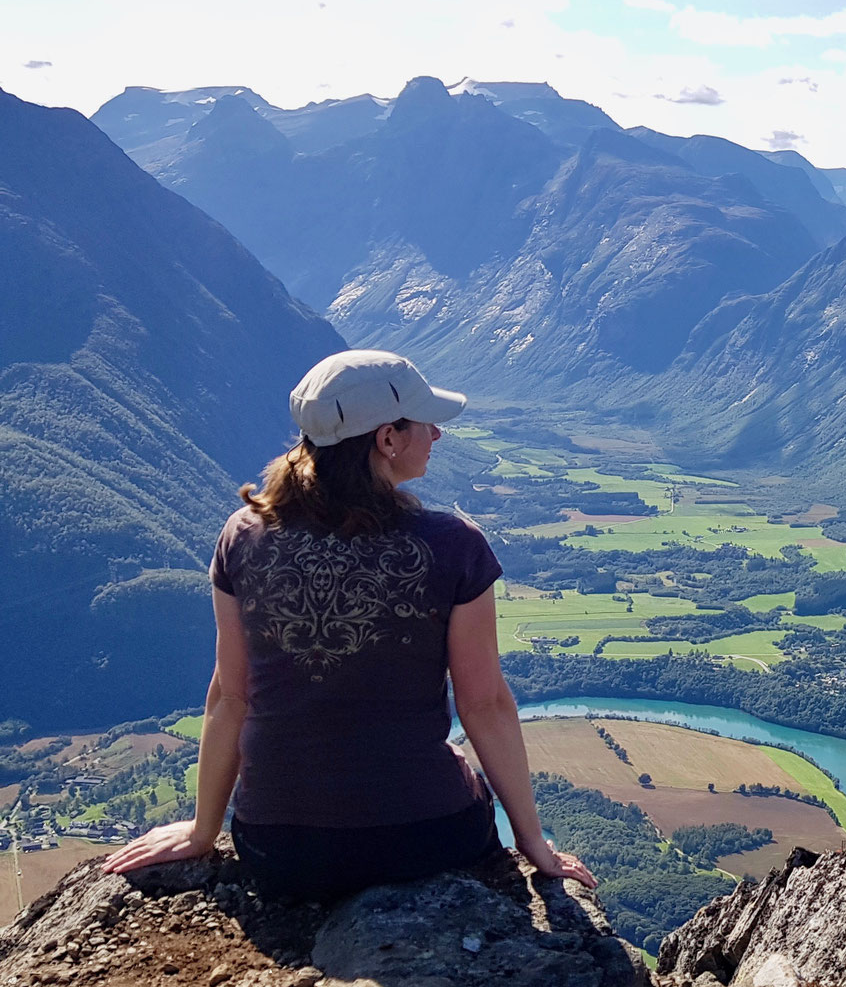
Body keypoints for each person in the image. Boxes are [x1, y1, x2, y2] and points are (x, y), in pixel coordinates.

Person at [103, 349, 595, 899]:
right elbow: (484, 705)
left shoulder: (243, 536)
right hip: (426, 840)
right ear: (387, 440)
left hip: (278, 848)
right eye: (424, 421)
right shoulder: (454, 547)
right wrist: (534, 844)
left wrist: (202, 831)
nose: (437, 433)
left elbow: (230, 697)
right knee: (452, 768)